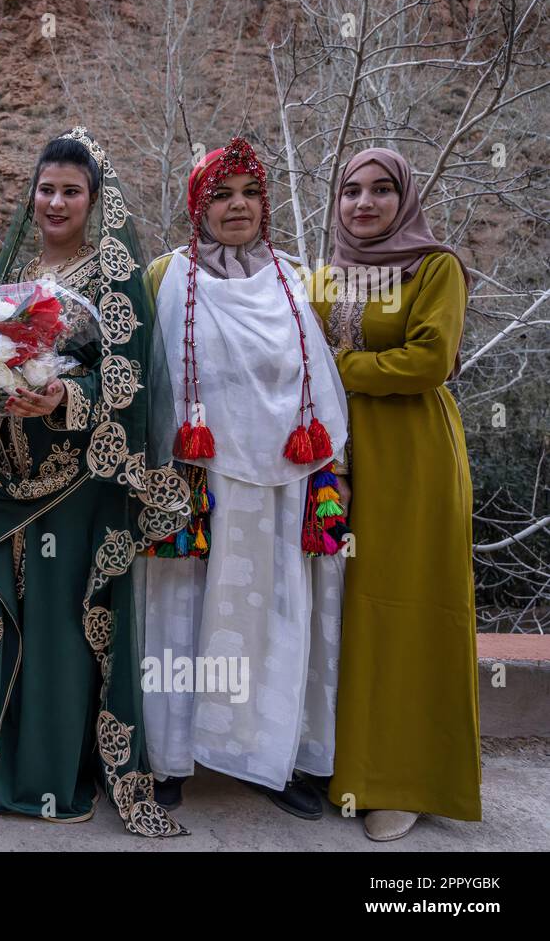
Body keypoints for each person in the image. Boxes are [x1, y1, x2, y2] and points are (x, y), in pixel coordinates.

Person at [0, 128, 192, 834]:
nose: (56, 201)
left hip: (76, 483)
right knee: (1, 617)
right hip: (2, 476)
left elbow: (127, 378)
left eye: (71, 189)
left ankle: (46, 775)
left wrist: (65, 398)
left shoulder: (112, 275)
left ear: (93, 200)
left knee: (62, 630)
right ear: (31, 196)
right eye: (46, 188)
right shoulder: (13, 275)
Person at [140, 138, 349, 820]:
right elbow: (147, 382)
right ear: (197, 206)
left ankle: (271, 759)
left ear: (266, 203)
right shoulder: (164, 277)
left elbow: (327, 378)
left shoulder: (297, 280)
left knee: (277, 621)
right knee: (184, 618)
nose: (237, 207)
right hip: (198, 486)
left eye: (249, 193)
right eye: (220, 195)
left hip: (286, 486)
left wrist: (333, 476)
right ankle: (169, 757)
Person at [309, 147, 481, 841]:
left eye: (382, 190)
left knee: (408, 609)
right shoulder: (325, 277)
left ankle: (406, 781)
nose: (365, 203)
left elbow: (429, 359)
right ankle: (345, 765)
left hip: (413, 459)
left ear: (404, 198)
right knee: (346, 610)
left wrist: (342, 367)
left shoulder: (434, 268)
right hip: (340, 460)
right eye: (351, 191)